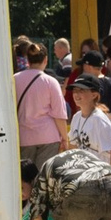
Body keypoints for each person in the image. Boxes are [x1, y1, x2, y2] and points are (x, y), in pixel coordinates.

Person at [13, 37, 68, 176]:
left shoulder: (14, 79)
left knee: (25, 178)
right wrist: (64, 138)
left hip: (23, 137)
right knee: (44, 178)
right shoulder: (51, 82)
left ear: (28, 60)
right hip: (48, 137)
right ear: (45, 60)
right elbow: (59, 114)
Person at [66, 76, 111, 159]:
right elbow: (72, 146)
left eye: (81, 90)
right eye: (75, 90)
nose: (76, 94)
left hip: (99, 170)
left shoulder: (99, 119)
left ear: (94, 95)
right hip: (83, 169)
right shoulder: (76, 117)